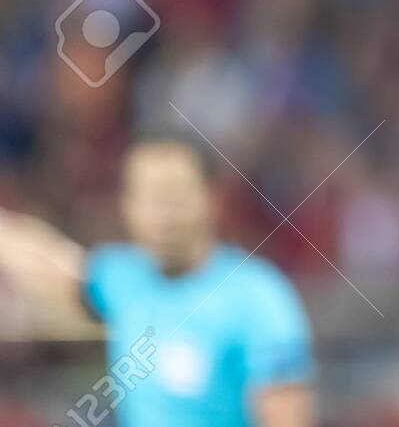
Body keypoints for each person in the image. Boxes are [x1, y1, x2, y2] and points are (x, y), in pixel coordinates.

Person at [0, 133, 315, 427]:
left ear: (211, 197)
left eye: (174, 195)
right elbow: (46, 262)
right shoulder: (121, 279)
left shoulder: (258, 298)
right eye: (149, 197)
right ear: (127, 204)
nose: (163, 213)